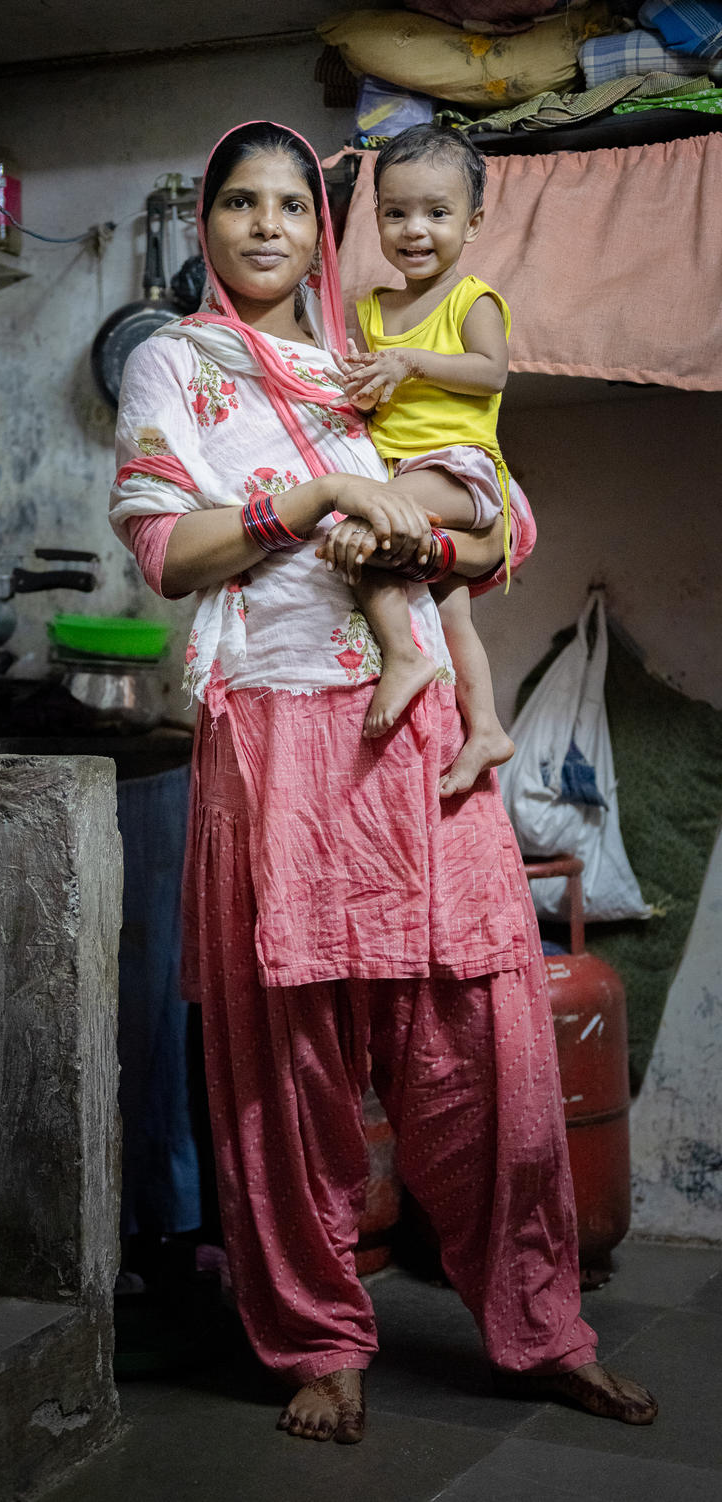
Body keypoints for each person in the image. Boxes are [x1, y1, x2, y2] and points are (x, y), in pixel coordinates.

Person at [109, 120, 656, 1445]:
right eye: (238, 202)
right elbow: (168, 550)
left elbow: (504, 514)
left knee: (488, 1042)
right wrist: (322, 498)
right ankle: (315, 1336)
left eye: (291, 204)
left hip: (412, 731)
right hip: (278, 730)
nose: (264, 225)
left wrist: (443, 512)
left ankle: (535, 1323)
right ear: (208, 225)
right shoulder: (175, 363)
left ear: (322, 226)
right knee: (284, 1063)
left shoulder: (371, 360)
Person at [324, 126, 514, 796]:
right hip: (401, 470)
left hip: (462, 469)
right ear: (373, 218)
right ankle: (485, 726)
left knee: (368, 525)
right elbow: (377, 401)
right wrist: (369, 391)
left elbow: (491, 373)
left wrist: (408, 361)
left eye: (438, 213)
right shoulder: (371, 308)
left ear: (473, 222)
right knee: (449, 607)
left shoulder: (473, 300)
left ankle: (403, 655)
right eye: (396, 213)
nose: (415, 229)